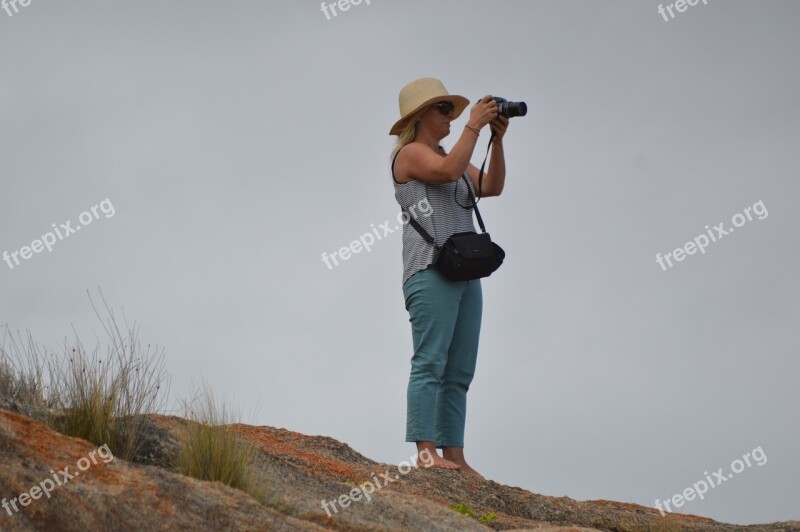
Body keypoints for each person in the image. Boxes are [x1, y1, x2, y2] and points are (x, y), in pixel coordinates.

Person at [389, 77, 509, 479]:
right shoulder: (409, 155)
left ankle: (453, 454)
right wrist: (475, 127)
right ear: (422, 115)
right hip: (428, 270)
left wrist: (498, 139)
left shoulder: (453, 152)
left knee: (459, 370)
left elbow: (491, 186)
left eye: (453, 110)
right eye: (443, 110)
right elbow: (444, 170)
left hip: (463, 272)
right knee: (430, 363)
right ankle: (425, 452)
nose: (452, 117)